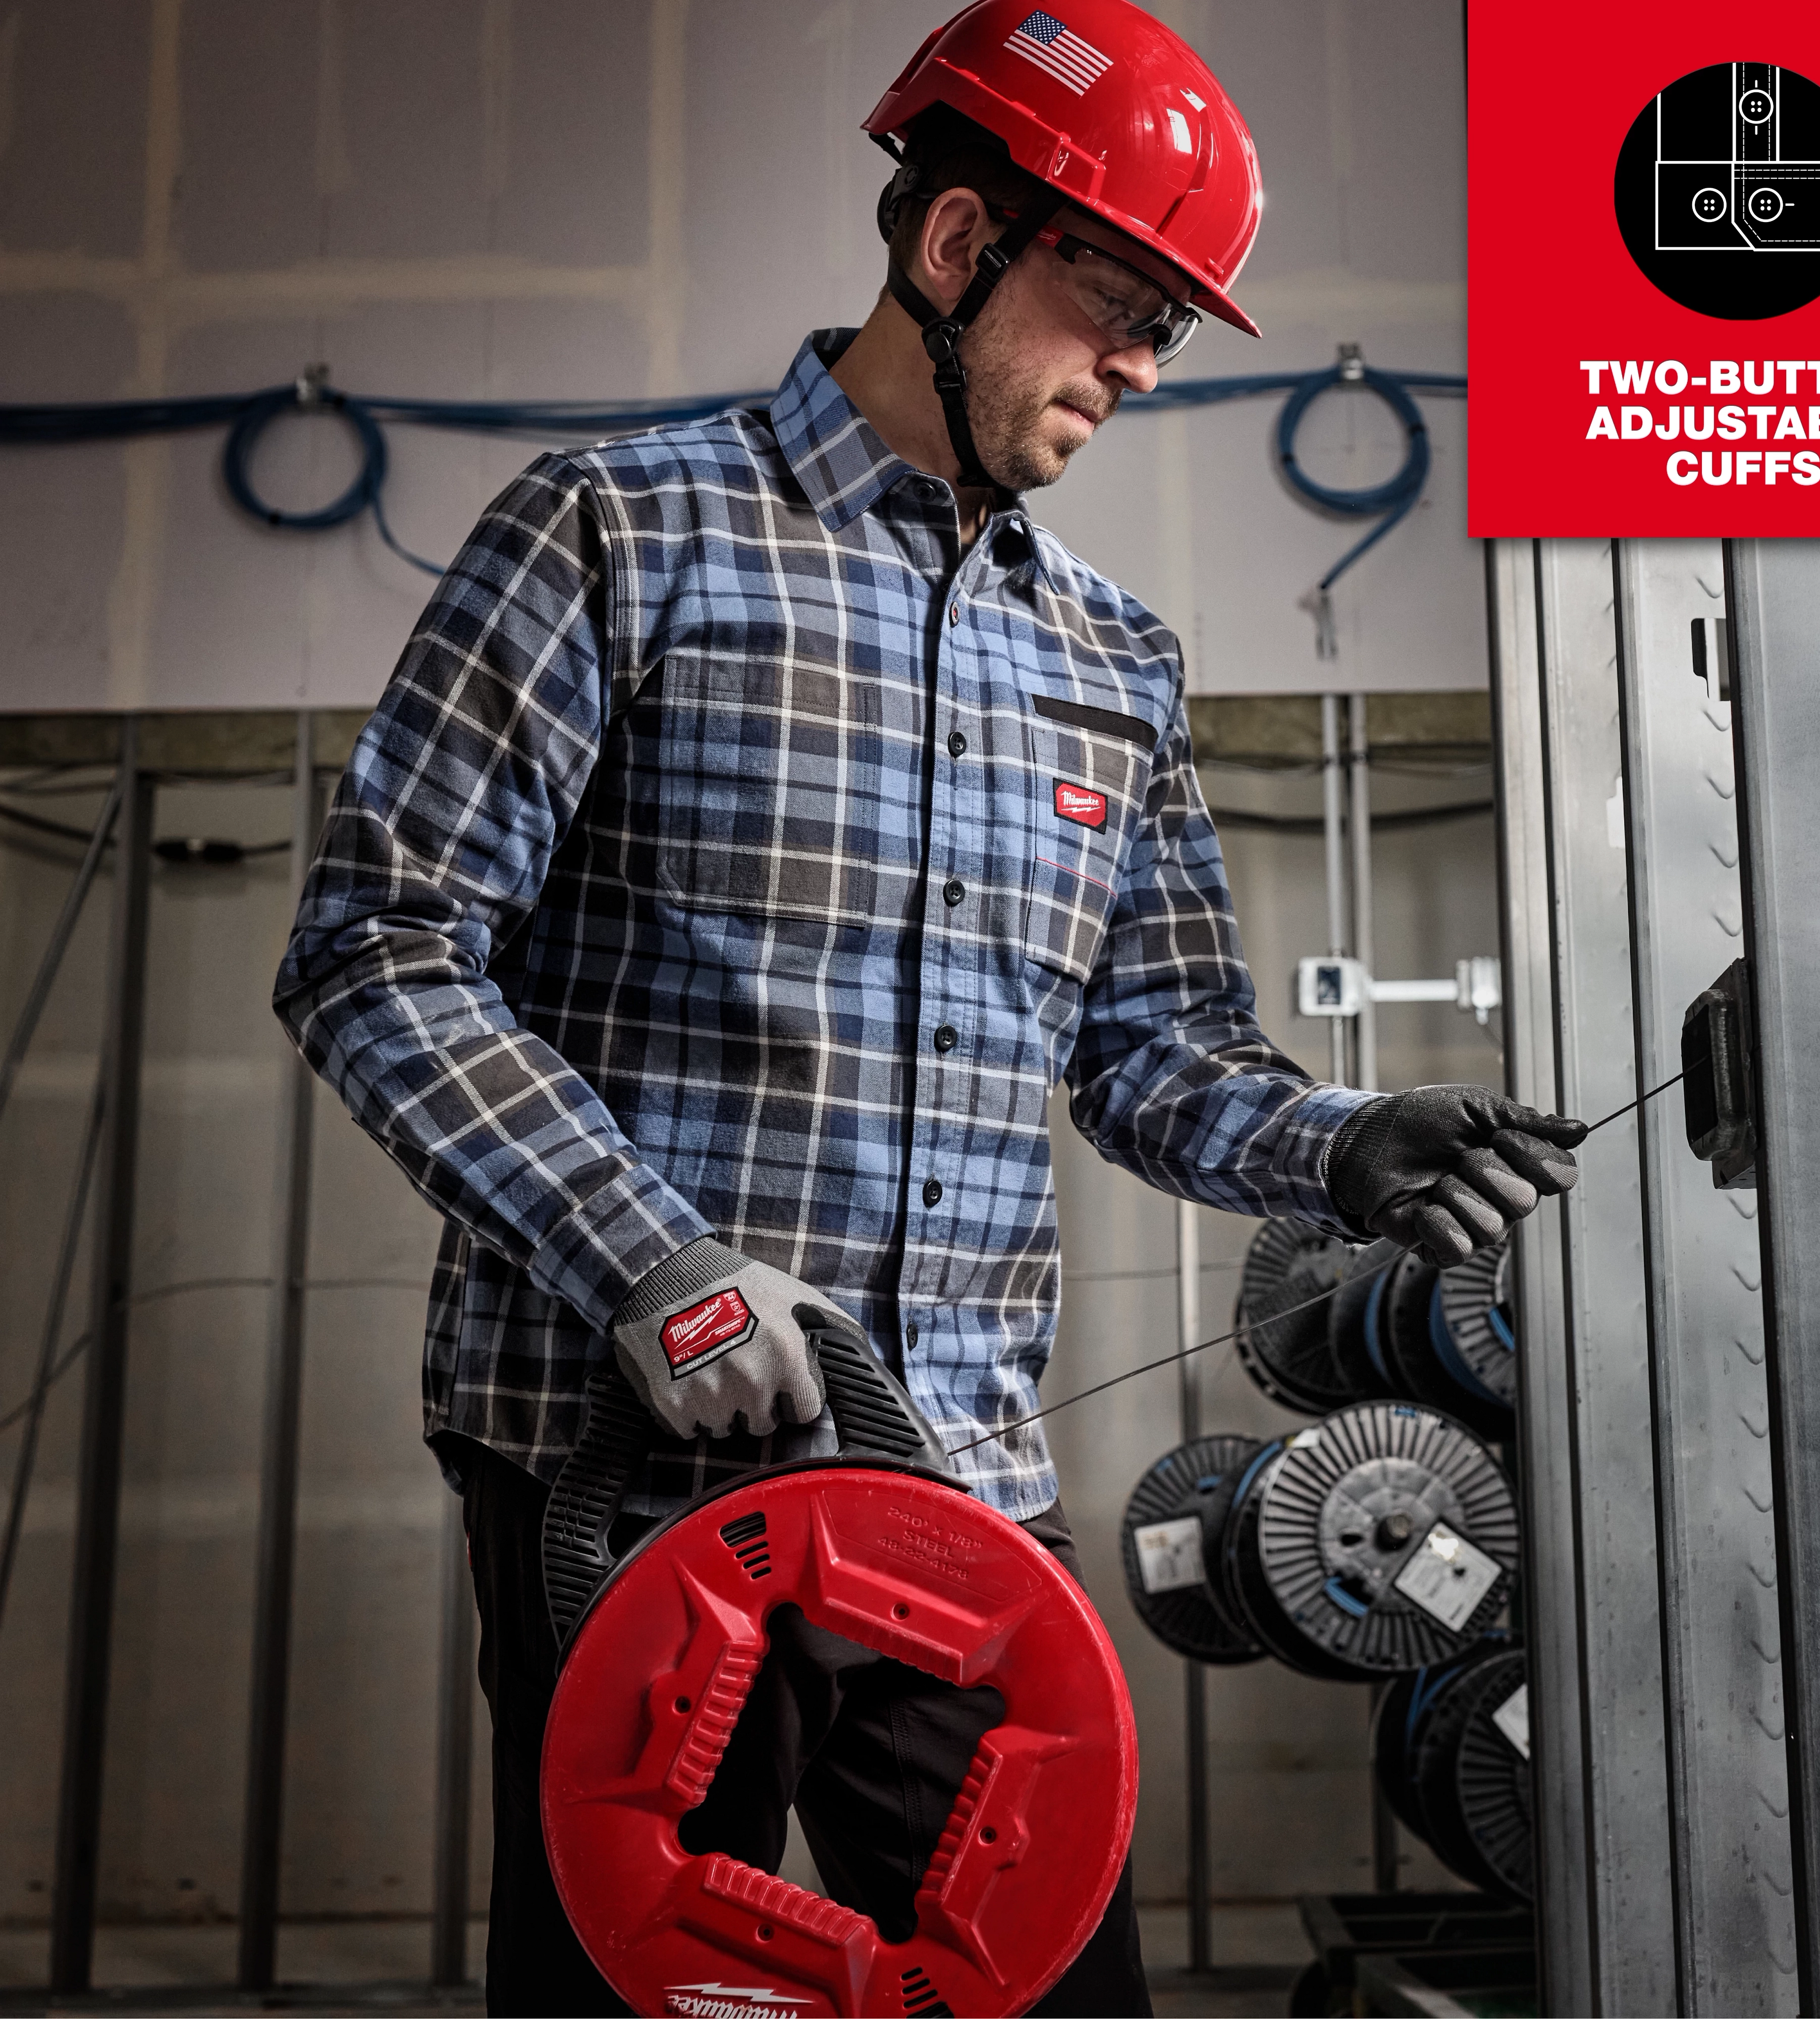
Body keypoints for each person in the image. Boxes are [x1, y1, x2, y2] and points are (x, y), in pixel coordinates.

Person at [274, 3, 1585, 2011]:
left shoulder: (1111, 660)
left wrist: (1343, 1143)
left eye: (1169, 318)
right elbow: (375, 942)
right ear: (959, 246)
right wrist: (655, 1265)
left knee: (1046, 1985)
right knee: (650, 1985)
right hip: (631, 1486)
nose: (1143, 363)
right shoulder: (620, 533)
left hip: (951, 1476)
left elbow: (1149, 1052)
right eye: (1119, 300)